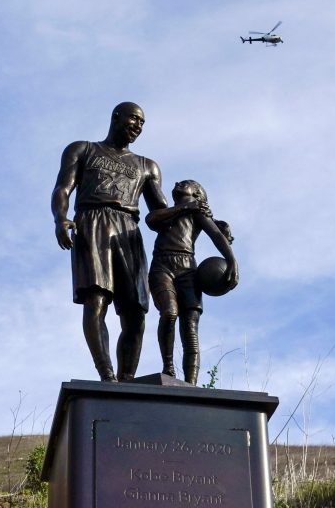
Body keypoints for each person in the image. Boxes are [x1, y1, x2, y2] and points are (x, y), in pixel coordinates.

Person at [51, 102, 200, 382]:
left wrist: (200, 217)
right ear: (116, 117)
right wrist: (60, 219)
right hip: (93, 221)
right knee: (97, 298)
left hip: (129, 229)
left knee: (135, 311)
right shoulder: (82, 149)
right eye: (134, 119)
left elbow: (160, 215)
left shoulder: (147, 166)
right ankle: (106, 374)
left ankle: (126, 380)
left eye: (142, 123)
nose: (138, 126)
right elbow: (63, 188)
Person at [145, 180, 239, 385]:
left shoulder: (198, 213)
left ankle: (191, 383)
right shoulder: (170, 212)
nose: (179, 183)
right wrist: (187, 206)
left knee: (190, 329)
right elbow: (151, 219)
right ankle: (168, 366)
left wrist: (232, 260)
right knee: (169, 313)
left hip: (187, 269)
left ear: (197, 194)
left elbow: (216, 234)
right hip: (162, 265)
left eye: (187, 183)